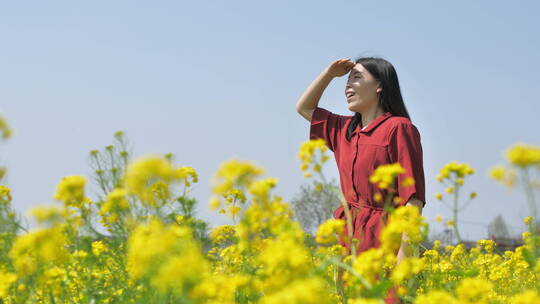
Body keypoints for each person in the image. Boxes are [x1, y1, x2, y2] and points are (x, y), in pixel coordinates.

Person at [295, 57, 426, 304]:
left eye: (356, 78)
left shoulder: (399, 128)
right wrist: (328, 73)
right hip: (351, 239)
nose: (347, 86)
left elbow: (413, 200)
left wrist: (404, 260)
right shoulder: (344, 129)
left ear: (380, 86)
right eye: (346, 80)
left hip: (386, 239)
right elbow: (304, 108)